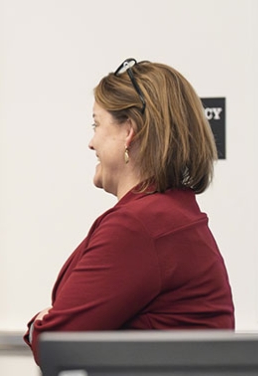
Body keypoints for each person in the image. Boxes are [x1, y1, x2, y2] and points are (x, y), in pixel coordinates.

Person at [23, 59, 235, 362]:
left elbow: (53, 343)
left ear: (129, 132)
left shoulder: (140, 226)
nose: (91, 142)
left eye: (97, 124)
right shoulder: (170, 214)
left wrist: (40, 323)